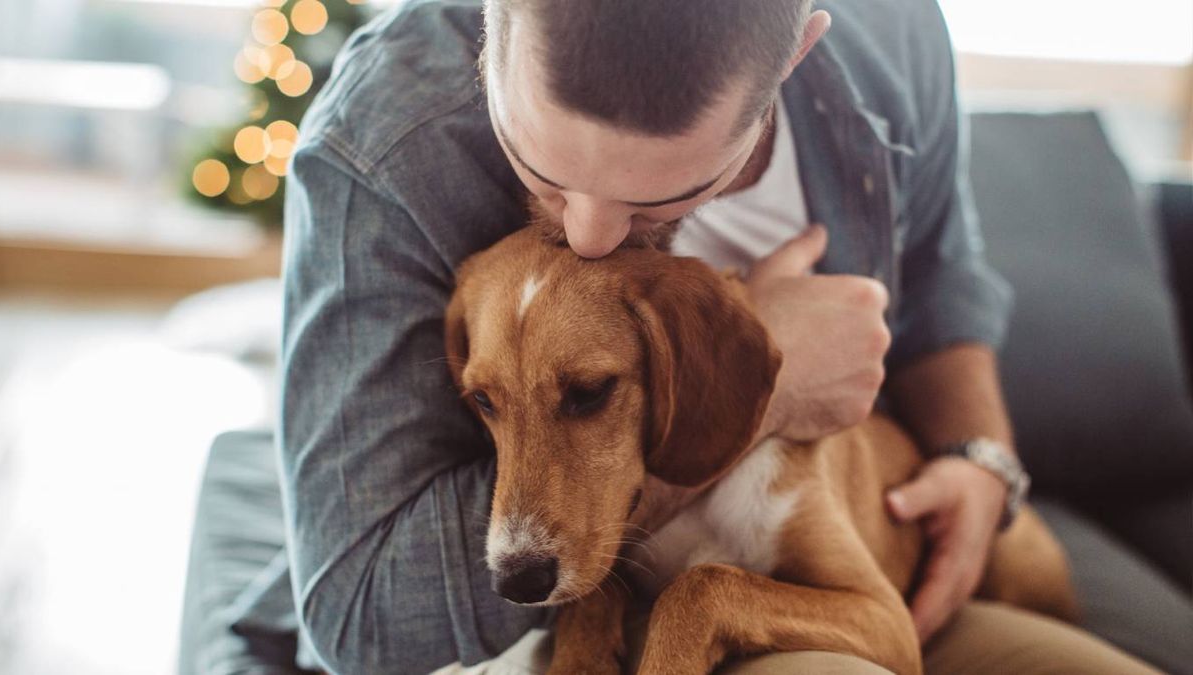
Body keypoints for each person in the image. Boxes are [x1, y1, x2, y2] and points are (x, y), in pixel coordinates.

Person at [272, 0, 1159, 672]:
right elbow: (358, 611)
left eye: (657, 199)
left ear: (797, 58)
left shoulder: (891, 26)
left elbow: (940, 268)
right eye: (542, 168)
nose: (588, 239)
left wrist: (982, 458)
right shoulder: (376, 144)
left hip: (870, 542)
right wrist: (778, 381)